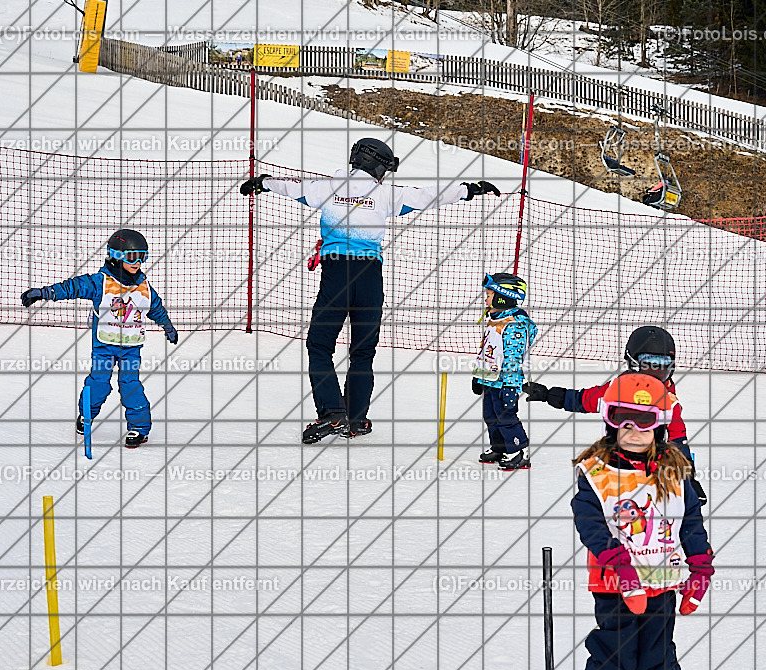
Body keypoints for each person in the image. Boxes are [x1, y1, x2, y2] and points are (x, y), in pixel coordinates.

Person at [240, 137, 501, 444]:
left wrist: (262, 183)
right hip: (370, 278)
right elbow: (428, 196)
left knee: (320, 346)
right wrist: (469, 189)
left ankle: (332, 412)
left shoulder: (327, 187)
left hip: (337, 274)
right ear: (377, 166)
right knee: (363, 351)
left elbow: (290, 187)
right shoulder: (387, 194)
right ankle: (355, 419)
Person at [572, 372, 713, 670]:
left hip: (661, 580)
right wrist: (620, 566)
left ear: (660, 425)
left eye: (644, 422)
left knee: (657, 650)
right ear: (610, 423)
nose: (633, 432)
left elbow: (690, 520)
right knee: (613, 647)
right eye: (624, 421)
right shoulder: (597, 472)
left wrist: (700, 568)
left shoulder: (674, 472)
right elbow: (589, 523)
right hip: (613, 583)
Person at [21, 229, 178, 448]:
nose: (137, 263)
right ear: (116, 256)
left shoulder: (143, 286)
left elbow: (155, 307)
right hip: (104, 346)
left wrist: (167, 325)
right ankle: (86, 414)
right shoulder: (100, 282)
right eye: (132, 257)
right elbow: (73, 287)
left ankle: (139, 428)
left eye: (142, 257)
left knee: (130, 385)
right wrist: (44, 293)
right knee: (99, 382)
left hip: (131, 347)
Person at [522, 325, 706, 503]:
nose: (655, 372)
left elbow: (678, 439)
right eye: (649, 364)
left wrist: (688, 479)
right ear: (633, 363)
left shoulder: (668, 401)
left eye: (663, 365)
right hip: (617, 461)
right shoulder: (618, 389)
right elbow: (584, 400)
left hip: (652, 466)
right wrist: (549, 395)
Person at [471, 272, 537, 470]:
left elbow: (513, 359)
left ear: (502, 297)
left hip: (506, 382)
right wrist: (479, 377)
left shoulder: (514, 324)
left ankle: (518, 452)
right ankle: (500, 447)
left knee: (506, 417)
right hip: (491, 379)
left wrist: (510, 386)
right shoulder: (495, 318)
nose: (486, 299)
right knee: (491, 416)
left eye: (489, 295)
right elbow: (488, 349)